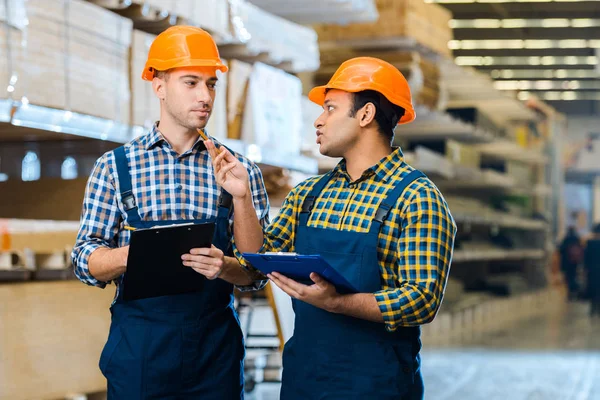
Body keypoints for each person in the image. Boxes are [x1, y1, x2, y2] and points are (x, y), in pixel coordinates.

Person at [206, 57, 456, 399]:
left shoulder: (416, 198)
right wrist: (242, 197)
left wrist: (338, 302)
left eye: (330, 108)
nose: (319, 121)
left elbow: (421, 300)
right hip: (304, 381)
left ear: (365, 115)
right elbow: (256, 262)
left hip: (377, 387)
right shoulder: (309, 194)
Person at [71, 26, 269, 399]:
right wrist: (134, 256)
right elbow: (84, 260)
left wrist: (226, 258)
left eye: (211, 84)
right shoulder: (115, 167)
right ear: (159, 86)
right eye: (191, 83)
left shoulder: (238, 170)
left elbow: (256, 269)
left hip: (214, 356)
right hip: (140, 355)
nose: (205, 96)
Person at [559, 226, 584, 300]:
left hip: (567, 263)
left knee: (568, 278)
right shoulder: (577, 239)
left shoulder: (566, 239)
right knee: (574, 276)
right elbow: (581, 250)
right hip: (574, 262)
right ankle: (575, 292)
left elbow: (561, 250)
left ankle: (571, 292)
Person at [584, 223, 600, 316]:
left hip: (592, 271)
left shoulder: (590, 243)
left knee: (593, 289)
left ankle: (593, 309)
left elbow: (586, 259)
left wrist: (585, 269)